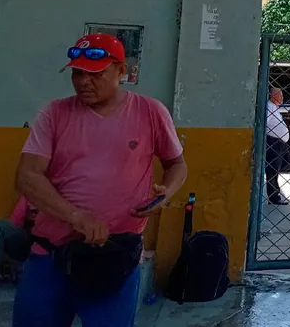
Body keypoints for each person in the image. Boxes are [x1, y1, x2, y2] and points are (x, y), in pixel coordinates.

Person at [13, 33, 187, 327]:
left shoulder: (150, 112)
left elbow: (177, 164)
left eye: (95, 74)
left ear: (121, 71)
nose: (83, 82)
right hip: (50, 256)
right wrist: (77, 217)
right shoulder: (54, 113)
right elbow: (27, 177)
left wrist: (165, 193)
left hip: (114, 257)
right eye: (77, 73)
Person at [265, 87, 290, 206]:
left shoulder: (274, 107)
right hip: (274, 142)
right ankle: (274, 197)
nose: (282, 97)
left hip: (281, 144)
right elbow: (265, 123)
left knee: (287, 164)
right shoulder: (269, 106)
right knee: (273, 171)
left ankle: (274, 192)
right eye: (280, 95)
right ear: (273, 95)